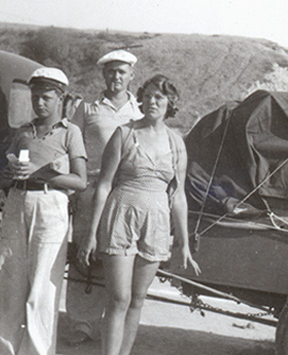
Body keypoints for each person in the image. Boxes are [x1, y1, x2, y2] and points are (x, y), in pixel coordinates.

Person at [79, 74, 200, 355]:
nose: (151, 101)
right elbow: (104, 185)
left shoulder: (176, 142)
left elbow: (178, 195)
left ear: (171, 103)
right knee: (119, 298)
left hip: (156, 223)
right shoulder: (124, 133)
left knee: (137, 299)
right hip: (121, 217)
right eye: (147, 96)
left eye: (159, 97)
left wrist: (183, 242)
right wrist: (91, 234)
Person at [0, 67, 87, 355]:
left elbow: (80, 181)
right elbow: (10, 171)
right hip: (18, 203)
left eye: (46, 97)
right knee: (7, 282)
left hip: (50, 206)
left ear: (60, 98)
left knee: (43, 288)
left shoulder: (71, 133)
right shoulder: (24, 131)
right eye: (35, 97)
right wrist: (5, 183)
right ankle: (5, 350)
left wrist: (42, 174)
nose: (39, 103)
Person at [65, 49, 143, 345]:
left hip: (125, 192)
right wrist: (74, 189)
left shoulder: (139, 110)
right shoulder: (87, 108)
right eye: (111, 71)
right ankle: (79, 323)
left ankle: (108, 324)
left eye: (122, 72)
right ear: (103, 75)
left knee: (117, 257)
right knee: (84, 254)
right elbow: (71, 147)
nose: (116, 77)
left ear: (131, 75)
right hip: (91, 188)